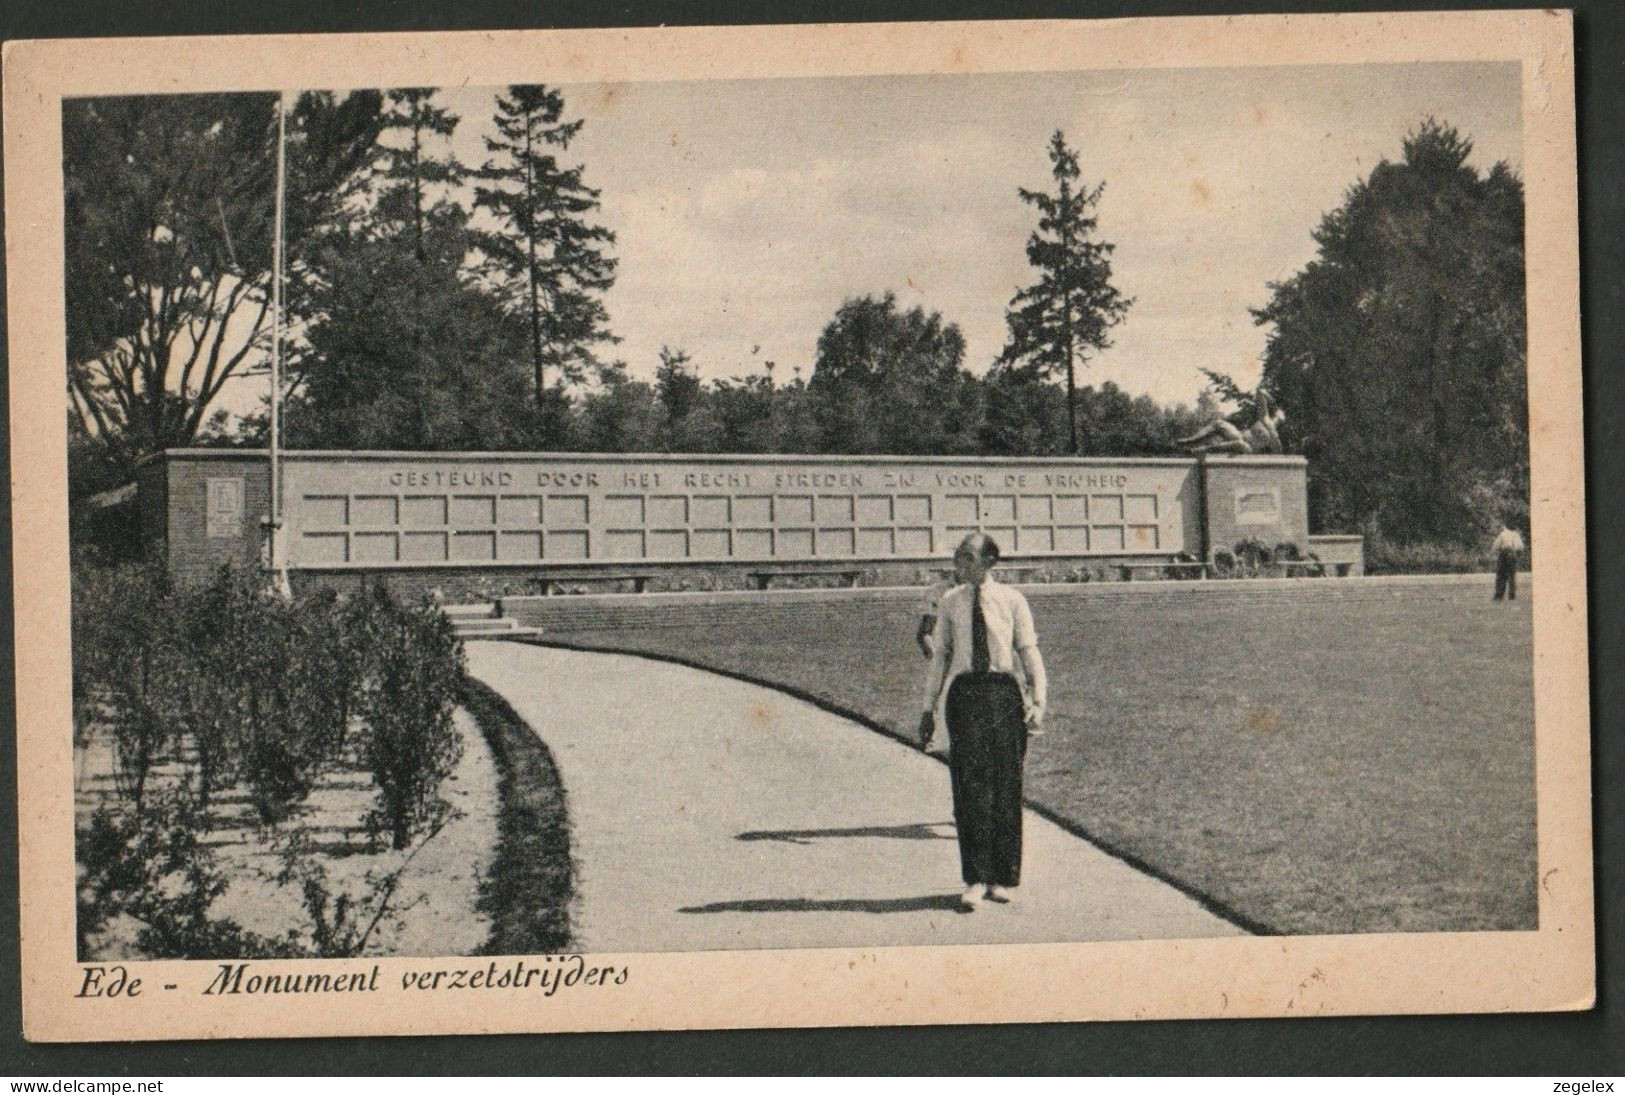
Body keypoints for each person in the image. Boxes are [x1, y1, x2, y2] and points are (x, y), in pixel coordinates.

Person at [918, 533, 1047, 910]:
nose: (960, 562)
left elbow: (1028, 650)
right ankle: (975, 878)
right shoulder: (950, 602)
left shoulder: (1012, 601)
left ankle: (1002, 877)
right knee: (969, 789)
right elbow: (940, 656)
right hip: (965, 696)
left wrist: (1039, 700)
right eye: (958, 556)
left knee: (1006, 786)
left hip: (1004, 694)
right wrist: (928, 708)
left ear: (989, 561)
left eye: (968, 556)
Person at [1178, 388, 1285, 455]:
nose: (1276, 418)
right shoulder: (1265, 418)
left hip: (1248, 449)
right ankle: (1191, 440)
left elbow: (1279, 454)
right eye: (1276, 415)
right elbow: (1261, 391)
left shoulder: (1275, 437)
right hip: (1239, 435)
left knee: (1240, 444)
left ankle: (1198, 450)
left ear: (1280, 422)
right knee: (1219, 423)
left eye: (1278, 418)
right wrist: (1273, 403)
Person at [1491, 521, 1525, 601]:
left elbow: (1495, 546)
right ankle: (1512, 596)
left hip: (1504, 554)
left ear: (1503, 527)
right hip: (1513, 554)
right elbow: (1520, 547)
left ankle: (1499, 595)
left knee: (1501, 575)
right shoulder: (1516, 535)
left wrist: (1493, 554)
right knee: (1512, 575)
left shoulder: (1502, 534)